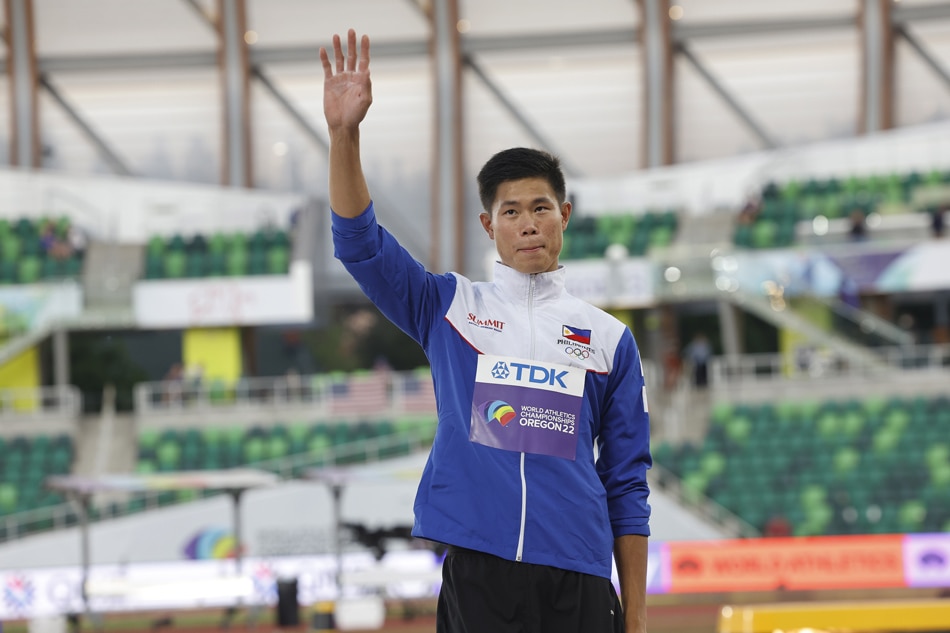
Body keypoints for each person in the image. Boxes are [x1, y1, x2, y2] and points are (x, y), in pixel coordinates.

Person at [321, 29, 651, 633]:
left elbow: (627, 483)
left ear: (565, 216)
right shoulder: (447, 307)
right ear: (488, 224)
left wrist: (636, 621)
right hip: (481, 570)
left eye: (541, 208)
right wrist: (346, 136)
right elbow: (358, 245)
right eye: (511, 212)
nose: (528, 224)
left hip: (577, 574)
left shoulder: (609, 341)